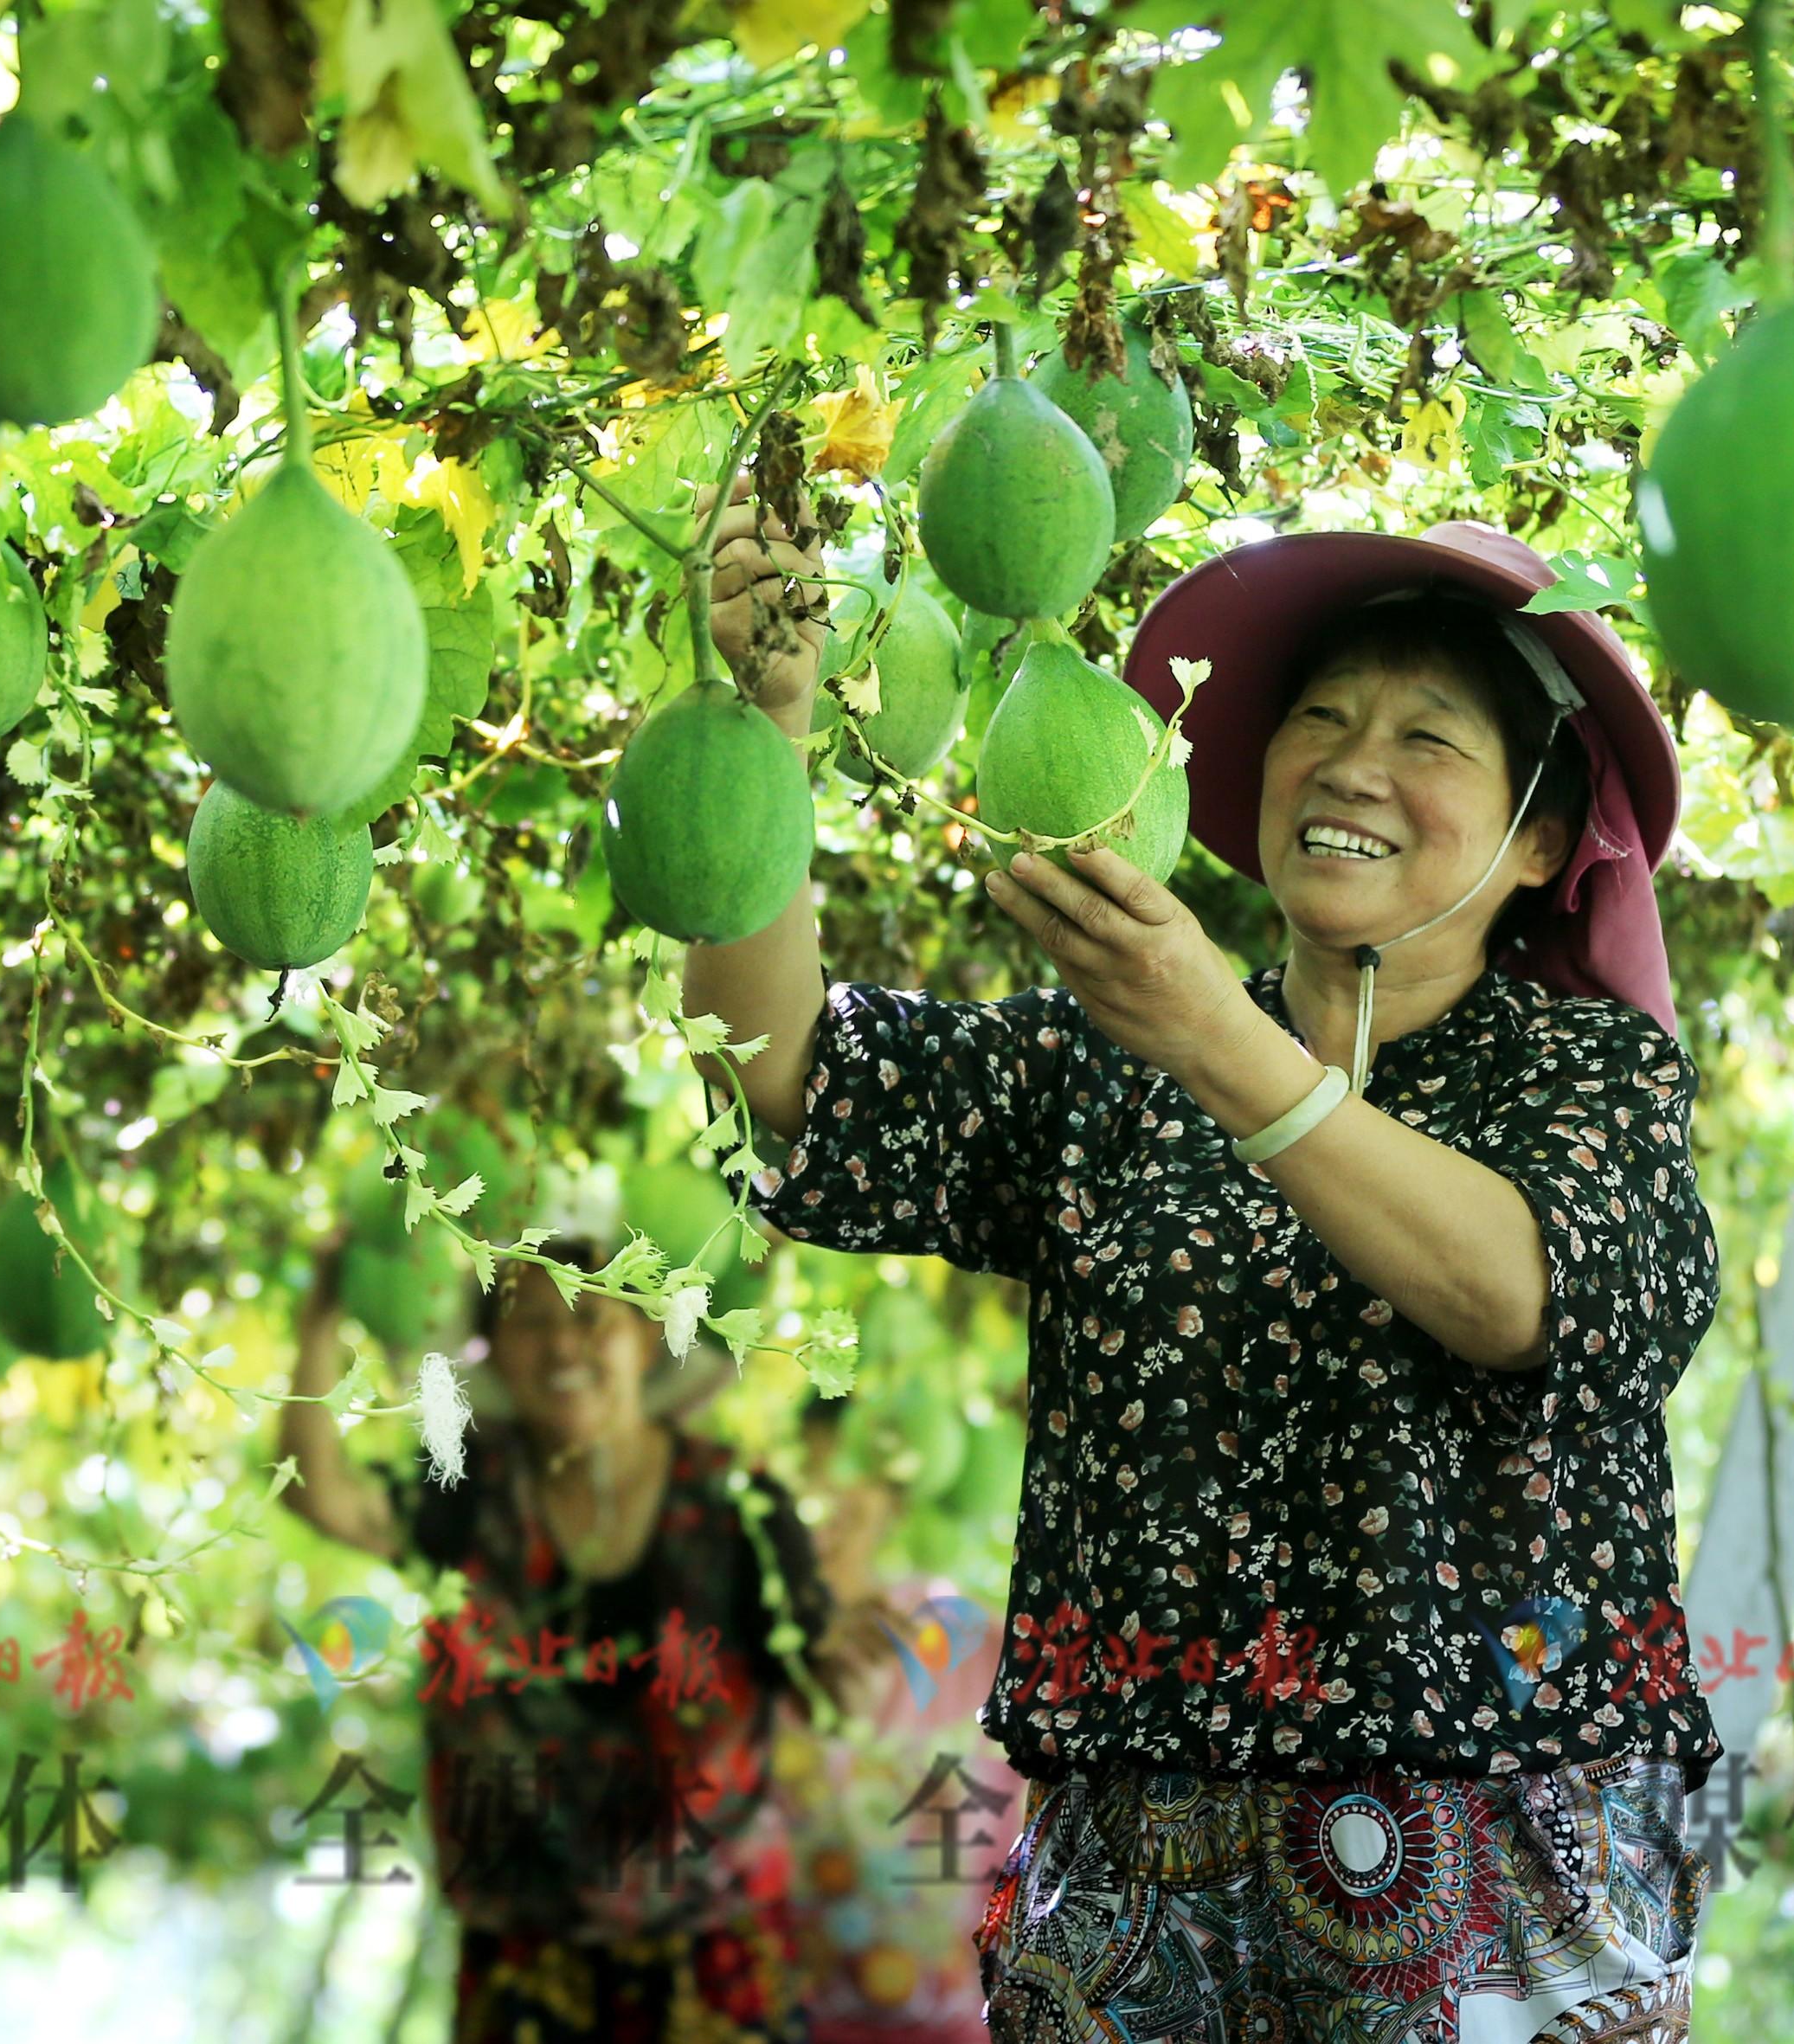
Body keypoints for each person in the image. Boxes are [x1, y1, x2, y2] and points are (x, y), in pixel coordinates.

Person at [682, 487, 1725, 2042]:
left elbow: (1526, 1295)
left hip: (1495, 1846)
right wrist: (761, 726)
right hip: (1129, 1853)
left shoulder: (1586, 1076)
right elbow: (782, 1078)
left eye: (1428, 738)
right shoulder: (1118, 1053)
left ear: (1542, 841)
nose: (1351, 763)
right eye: (1317, 717)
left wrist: (1219, 1045)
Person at [279, 1228, 902, 2044]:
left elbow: (827, 1690)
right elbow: (320, 1494)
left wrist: (856, 1670)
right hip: (522, 1951)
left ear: (646, 1337)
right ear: (495, 1350)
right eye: (530, 1320)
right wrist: (326, 1306)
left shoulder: (739, 1503)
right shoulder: (465, 1489)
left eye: (590, 1317)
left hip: (712, 1946)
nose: (562, 1343)